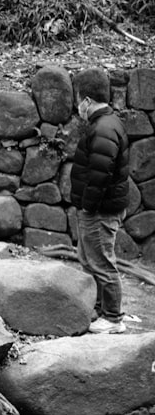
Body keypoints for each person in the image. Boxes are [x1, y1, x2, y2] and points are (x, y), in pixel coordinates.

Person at [69, 69, 130, 334]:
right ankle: (98, 310)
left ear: (86, 101)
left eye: (77, 100)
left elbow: (100, 174)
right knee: (89, 259)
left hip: (100, 210)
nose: (76, 106)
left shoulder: (103, 127)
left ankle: (114, 318)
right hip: (98, 208)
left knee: (102, 262)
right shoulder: (106, 123)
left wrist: (88, 207)